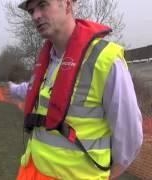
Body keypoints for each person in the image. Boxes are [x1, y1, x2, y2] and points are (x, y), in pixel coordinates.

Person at [9, 0, 143, 179]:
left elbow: (130, 136)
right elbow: (35, 91)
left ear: (68, 5)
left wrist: (110, 174)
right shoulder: (47, 59)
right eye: (31, 11)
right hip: (33, 171)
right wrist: (12, 88)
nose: (35, 16)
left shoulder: (105, 61)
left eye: (43, 5)